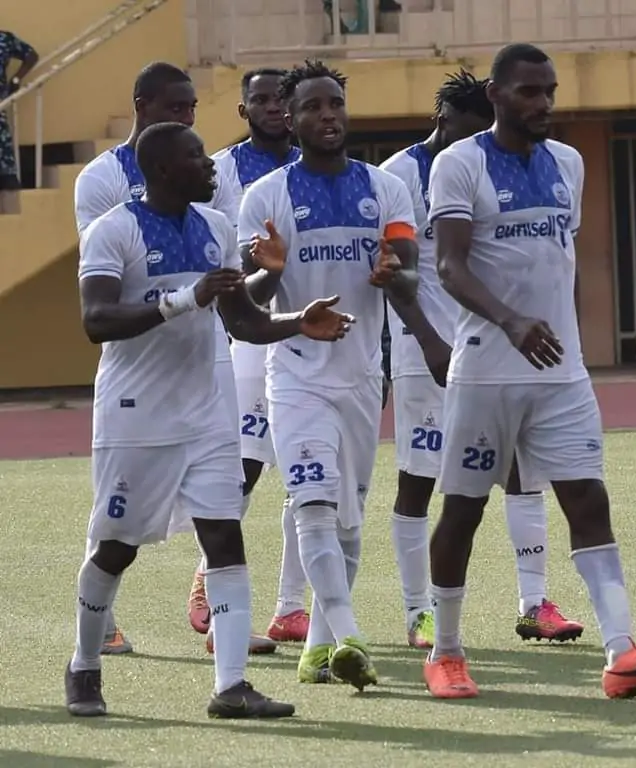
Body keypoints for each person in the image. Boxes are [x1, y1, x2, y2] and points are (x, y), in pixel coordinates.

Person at [424, 43, 636, 700]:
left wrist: (556, 335)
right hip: (486, 373)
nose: (543, 102)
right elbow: (450, 266)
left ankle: (622, 653)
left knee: (588, 500)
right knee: (462, 511)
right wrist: (511, 321)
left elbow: (555, 260)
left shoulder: (569, 163)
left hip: (561, 374)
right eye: (528, 91)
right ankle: (445, 651)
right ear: (496, 95)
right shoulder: (459, 163)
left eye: (549, 90)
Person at [66, 120, 353, 718]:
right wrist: (183, 300)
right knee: (116, 547)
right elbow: (96, 320)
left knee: (223, 536)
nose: (210, 165)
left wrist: (298, 321)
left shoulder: (217, 228)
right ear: (162, 169)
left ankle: (231, 686)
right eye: (196, 157)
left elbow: (242, 321)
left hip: (207, 414)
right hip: (136, 416)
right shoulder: (113, 230)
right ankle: (85, 665)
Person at [237, 59, 437, 690]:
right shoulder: (265, 197)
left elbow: (408, 276)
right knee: (313, 502)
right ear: (290, 119)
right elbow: (247, 302)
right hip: (296, 375)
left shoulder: (386, 189)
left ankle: (317, 648)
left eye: (335, 105)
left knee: (348, 520)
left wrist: (393, 276)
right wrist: (270, 273)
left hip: (362, 376)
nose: (327, 115)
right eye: (312, 107)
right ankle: (351, 635)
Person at [74, 61, 275, 656]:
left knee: (223, 524)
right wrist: (185, 297)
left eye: (192, 108)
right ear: (143, 106)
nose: (189, 118)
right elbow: (102, 303)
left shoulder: (209, 207)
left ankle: (229, 663)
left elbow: (232, 293)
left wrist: (284, 301)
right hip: (139, 386)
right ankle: (93, 641)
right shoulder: (104, 189)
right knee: (117, 534)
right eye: (176, 107)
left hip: (209, 375)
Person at [381, 69, 582, 649]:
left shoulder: (498, 165)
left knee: (522, 469)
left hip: (494, 347)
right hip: (427, 350)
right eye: (469, 130)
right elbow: (393, 274)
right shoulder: (398, 176)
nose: (478, 141)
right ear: (442, 120)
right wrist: (426, 340)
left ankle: (534, 603)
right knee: (421, 479)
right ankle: (419, 612)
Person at [187, 67, 311, 648]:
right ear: (243, 110)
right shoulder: (221, 171)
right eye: (260, 99)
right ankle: (208, 582)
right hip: (247, 336)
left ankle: (292, 607)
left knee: (309, 470)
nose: (273, 107)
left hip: (312, 333)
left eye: (281, 98)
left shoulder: (318, 167)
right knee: (246, 465)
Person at [0, 29, 38, 195]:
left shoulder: (4, 39)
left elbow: (31, 55)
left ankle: (9, 184)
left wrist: (16, 79)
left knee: (8, 179)